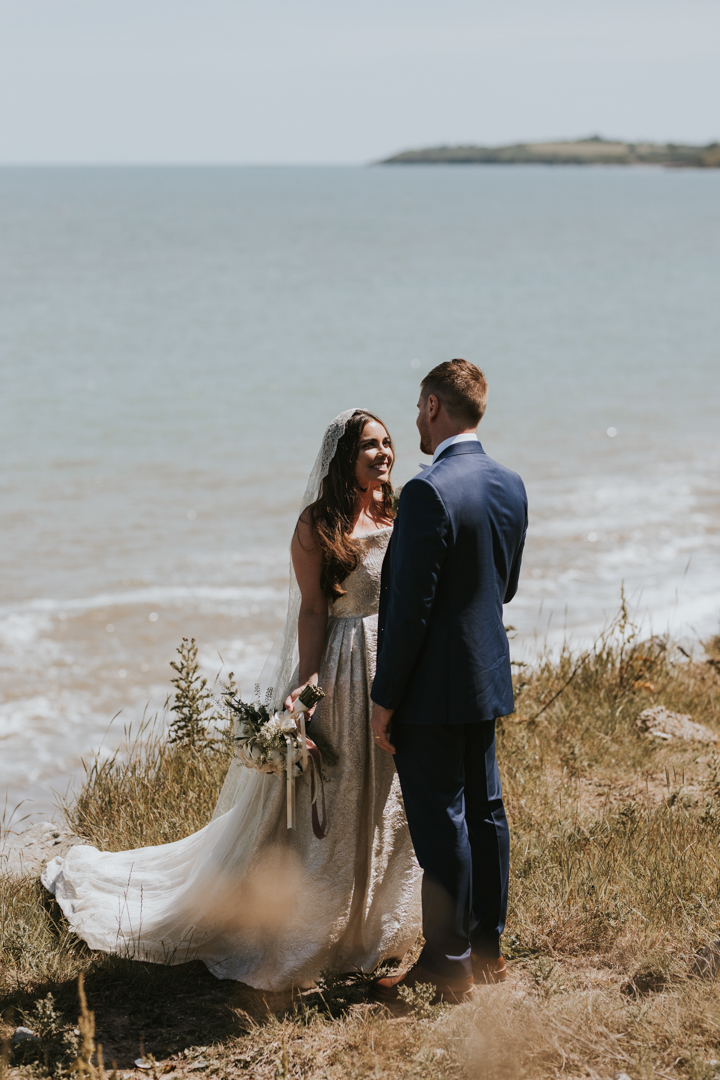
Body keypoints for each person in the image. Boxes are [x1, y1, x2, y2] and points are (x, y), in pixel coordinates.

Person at [42, 409, 421, 991]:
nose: (383, 454)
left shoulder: (394, 513)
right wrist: (308, 685)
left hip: (389, 661)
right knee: (337, 796)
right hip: (345, 667)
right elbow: (315, 609)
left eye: (388, 443)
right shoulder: (316, 524)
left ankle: (370, 925)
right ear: (344, 456)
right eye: (370, 446)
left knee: (387, 794)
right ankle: (314, 928)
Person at [369, 360, 528, 1004]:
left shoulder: (426, 491)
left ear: (435, 406)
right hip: (485, 675)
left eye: (416, 407)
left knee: (444, 823)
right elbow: (506, 585)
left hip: (432, 691)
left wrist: (384, 699)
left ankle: (447, 963)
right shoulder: (510, 483)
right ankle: (487, 950)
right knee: (487, 813)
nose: (413, 420)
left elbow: (408, 610)